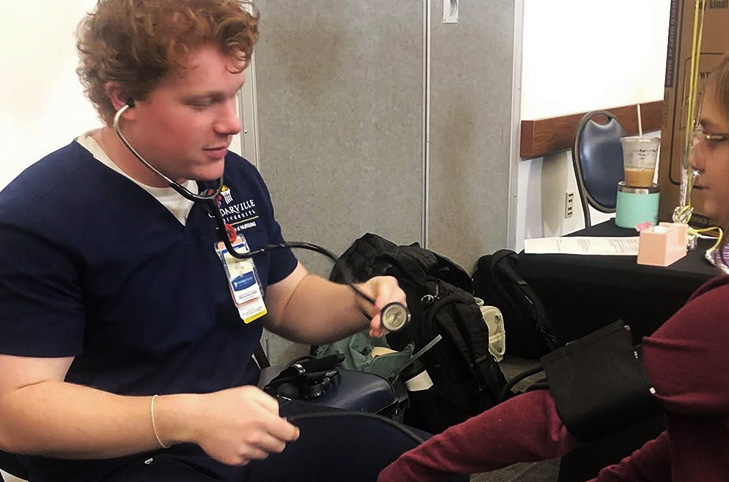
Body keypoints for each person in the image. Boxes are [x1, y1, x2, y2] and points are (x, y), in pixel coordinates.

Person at [378, 29, 729, 482]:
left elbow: (558, 414)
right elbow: (704, 432)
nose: (694, 158)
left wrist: (413, 467)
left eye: (715, 138)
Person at [0, 1, 430, 481]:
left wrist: (358, 301)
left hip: (237, 428)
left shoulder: (231, 180)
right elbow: (16, 412)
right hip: (117, 461)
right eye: (202, 103)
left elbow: (287, 299)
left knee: (428, 465)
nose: (231, 123)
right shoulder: (37, 220)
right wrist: (188, 418)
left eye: (233, 96)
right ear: (123, 99)